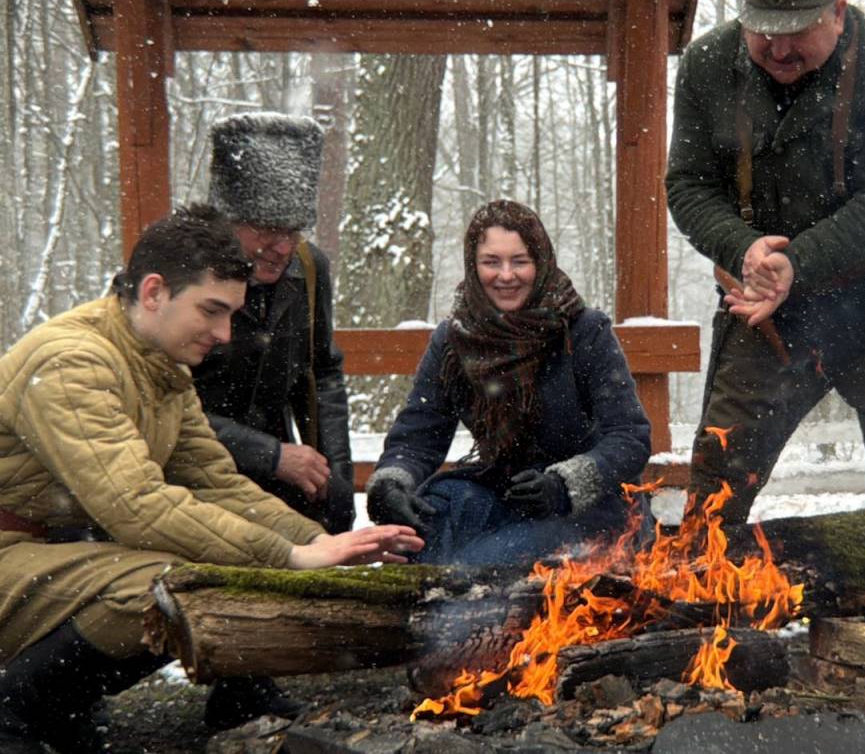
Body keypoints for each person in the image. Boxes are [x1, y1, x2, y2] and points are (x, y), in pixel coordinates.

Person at [0, 205, 423, 754]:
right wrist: (286, 558)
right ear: (154, 292)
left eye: (233, 315)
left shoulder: (162, 366)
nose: (225, 334)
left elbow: (217, 483)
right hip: (15, 549)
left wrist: (322, 541)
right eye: (212, 311)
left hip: (59, 550)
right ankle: (16, 712)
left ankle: (60, 706)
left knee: (207, 567)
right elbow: (139, 506)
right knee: (172, 588)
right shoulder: (72, 364)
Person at [665, 0, 865, 524]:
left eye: (798, 30)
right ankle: (706, 595)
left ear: (839, 12)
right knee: (720, 469)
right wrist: (742, 246)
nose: (779, 49)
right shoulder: (708, 65)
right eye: (764, 31)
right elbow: (688, 185)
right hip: (766, 302)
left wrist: (797, 262)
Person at [365, 199, 652, 566]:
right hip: (503, 492)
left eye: (520, 261)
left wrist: (563, 485)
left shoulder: (583, 331)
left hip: (593, 508)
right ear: (473, 265)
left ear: (541, 262)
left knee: (485, 563)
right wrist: (392, 483)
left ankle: (469, 593)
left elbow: (630, 437)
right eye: (491, 262)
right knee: (423, 531)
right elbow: (419, 433)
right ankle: (423, 604)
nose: (506, 275)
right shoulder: (455, 340)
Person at [193, 112, 354, 534]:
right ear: (227, 220)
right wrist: (269, 454)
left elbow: (322, 372)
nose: (282, 247)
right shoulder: (179, 271)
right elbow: (160, 406)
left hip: (279, 475)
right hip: (194, 476)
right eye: (266, 229)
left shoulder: (309, 268)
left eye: (294, 230)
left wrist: (335, 471)